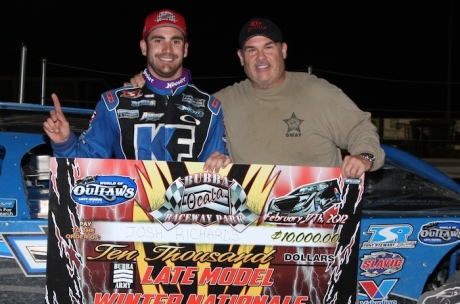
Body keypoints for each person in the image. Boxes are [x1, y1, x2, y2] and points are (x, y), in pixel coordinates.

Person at [129, 17, 385, 178]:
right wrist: (147, 86)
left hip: (318, 223)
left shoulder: (318, 91)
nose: (260, 58)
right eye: (252, 50)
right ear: (241, 57)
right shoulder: (222, 102)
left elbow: (360, 129)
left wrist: (365, 157)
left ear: (283, 50)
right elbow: (176, 112)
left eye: (268, 47)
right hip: (252, 229)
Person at [43, 9, 230, 173]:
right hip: (129, 209)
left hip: (185, 210)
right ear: (144, 47)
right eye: (158, 40)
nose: (167, 49)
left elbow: (214, 173)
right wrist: (64, 143)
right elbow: (85, 166)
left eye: (175, 41)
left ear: (186, 49)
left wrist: (220, 164)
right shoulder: (114, 104)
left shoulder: (209, 108)